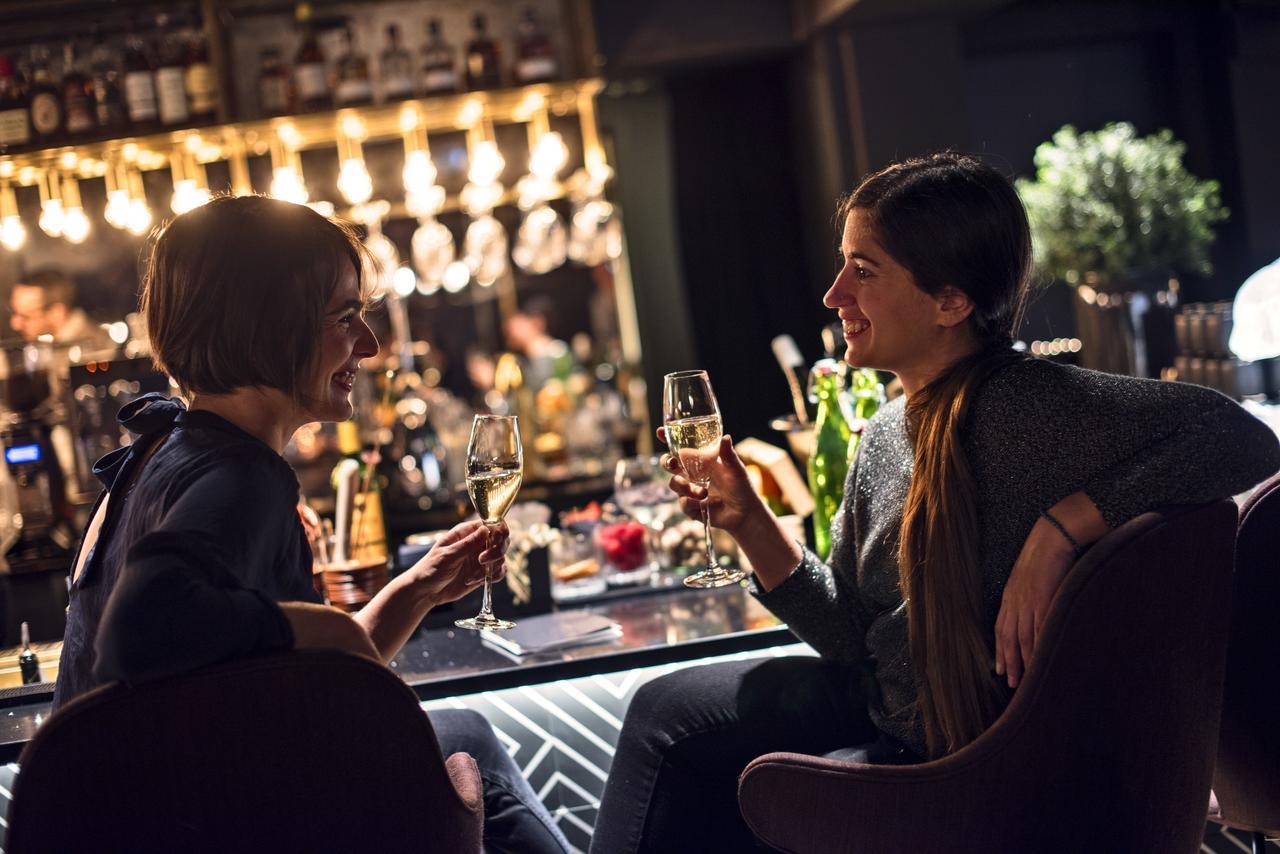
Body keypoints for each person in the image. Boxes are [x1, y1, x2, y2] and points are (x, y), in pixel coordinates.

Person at [588, 152, 1280, 853]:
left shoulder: (1044, 409)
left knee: (668, 721)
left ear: (952, 302)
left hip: (976, 777)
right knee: (671, 716)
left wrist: (1061, 529)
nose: (833, 295)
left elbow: (1243, 438)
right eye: (842, 264)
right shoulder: (887, 434)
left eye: (864, 271)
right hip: (900, 723)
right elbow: (856, 640)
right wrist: (750, 523)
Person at [29, 196, 568, 853]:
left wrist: (415, 591)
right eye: (347, 318)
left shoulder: (162, 452)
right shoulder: (242, 476)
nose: (369, 346)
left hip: (141, 824)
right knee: (473, 742)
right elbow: (143, 629)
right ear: (271, 326)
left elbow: (283, 677)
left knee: (468, 734)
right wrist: (331, 624)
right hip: (206, 826)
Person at [8, 268, 114, 352]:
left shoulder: (91, 352)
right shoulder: (52, 345)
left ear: (57, 313)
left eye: (26, 316)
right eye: (14, 313)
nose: (15, 324)